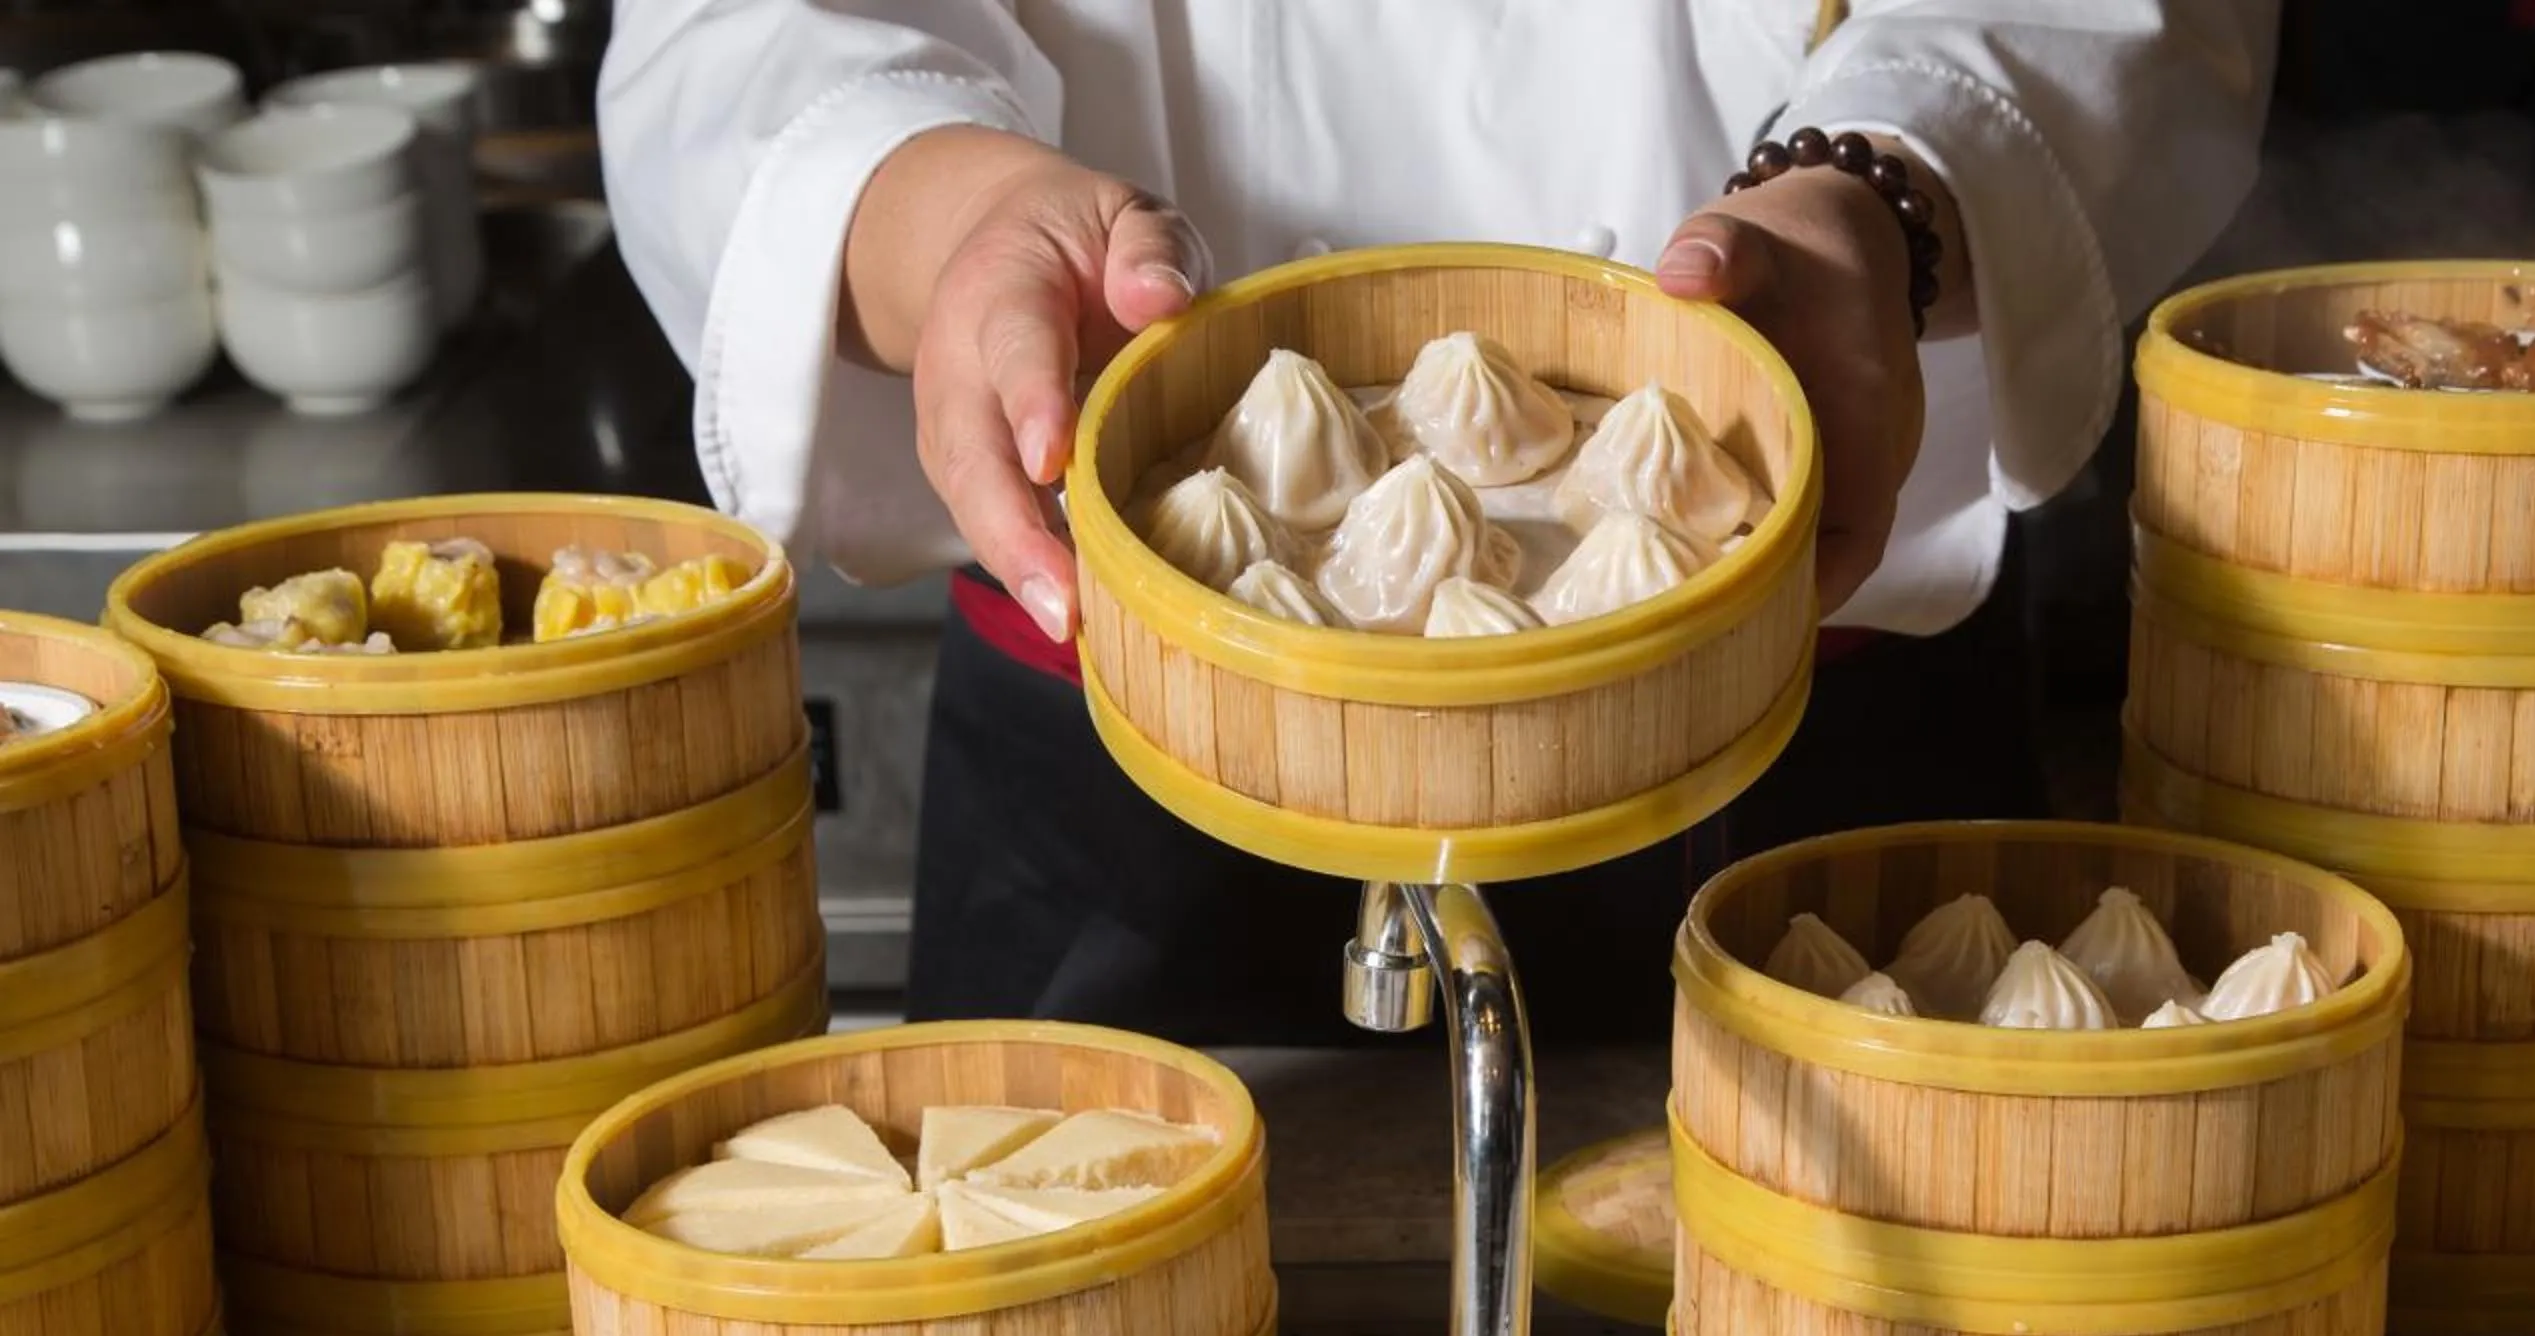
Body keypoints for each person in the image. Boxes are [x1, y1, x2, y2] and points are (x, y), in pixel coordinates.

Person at [599, 1, 2277, 1044]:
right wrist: (947, 209)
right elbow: (736, 35)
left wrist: (1894, 185)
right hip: (1130, 711)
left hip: (1796, 712)